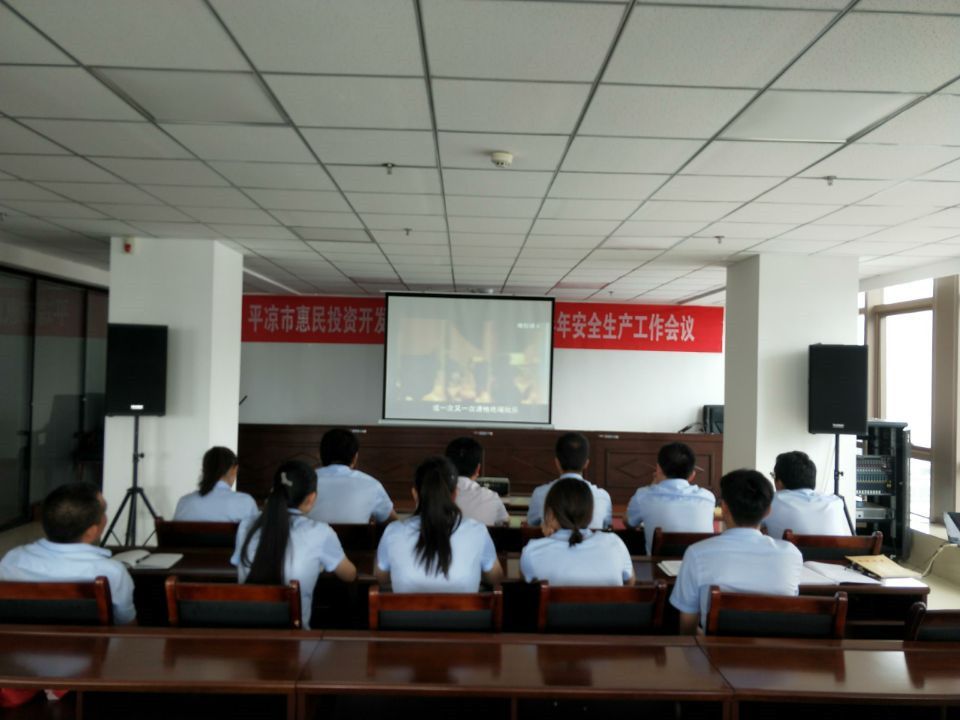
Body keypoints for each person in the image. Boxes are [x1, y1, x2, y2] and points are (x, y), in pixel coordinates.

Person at [670, 469, 803, 634]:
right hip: (774, 648)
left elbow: (687, 628)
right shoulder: (791, 554)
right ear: (768, 511)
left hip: (714, 649)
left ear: (724, 508)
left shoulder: (697, 553)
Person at [232, 460, 357, 629]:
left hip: (246, 632)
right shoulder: (320, 532)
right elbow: (349, 575)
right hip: (295, 639)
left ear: (273, 491)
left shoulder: (246, 526)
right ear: (311, 498)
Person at [0, 483, 136, 625]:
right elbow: (126, 624)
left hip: (19, 639)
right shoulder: (112, 571)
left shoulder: (12, 559)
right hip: (88, 640)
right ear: (91, 532)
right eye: (104, 511)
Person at [375, 456, 503, 592]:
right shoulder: (477, 531)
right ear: (455, 494)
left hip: (404, 607)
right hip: (463, 607)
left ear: (415, 494)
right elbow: (495, 578)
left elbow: (381, 578)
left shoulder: (393, 532)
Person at [521, 477, 634, 586]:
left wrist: (547, 540)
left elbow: (527, 590)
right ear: (591, 514)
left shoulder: (532, 551)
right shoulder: (615, 544)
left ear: (550, 514)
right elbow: (630, 584)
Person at [625, 442, 716, 554]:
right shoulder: (708, 498)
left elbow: (629, 522)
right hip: (700, 564)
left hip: (659, 565)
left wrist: (652, 486)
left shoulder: (643, 496)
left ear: (658, 469)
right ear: (692, 474)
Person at [308, 428, 396, 525]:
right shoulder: (372, 484)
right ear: (355, 457)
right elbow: (393, 522)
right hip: (356, 536)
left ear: (319, 456)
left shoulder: (304, 481)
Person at [527, 432, 612, 530]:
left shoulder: (539, 493)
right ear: (586, 463)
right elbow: (606, 527)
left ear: (557, 462)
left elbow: (532, 525)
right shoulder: (603, 496)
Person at [764, 450, 851, 540]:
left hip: (790, 550)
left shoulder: (770, 502)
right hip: (835, 550)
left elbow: (754, 531)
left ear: (779, 482)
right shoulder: (836, 503)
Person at [173, 446, 258, 522]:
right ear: (234, 469)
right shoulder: (245, 502)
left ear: (204, 470)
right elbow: (256, 534)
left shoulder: (184, 503)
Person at [445, 437, 509, 527]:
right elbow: (506, 524)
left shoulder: (433, 496)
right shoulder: (491, 497)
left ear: (446, 466)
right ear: (478, 469)